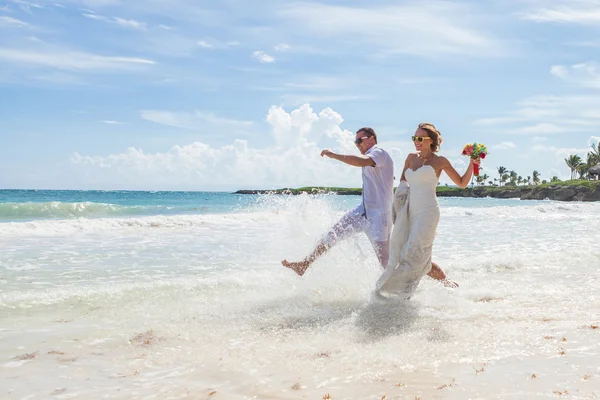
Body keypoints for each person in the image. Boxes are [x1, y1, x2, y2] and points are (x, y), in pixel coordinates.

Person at [281, 127, 455, 287]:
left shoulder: (379, 153)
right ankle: (304, 264)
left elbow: (360, 161)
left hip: (379, 218)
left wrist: (334, 155)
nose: (357, 145)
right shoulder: (372, 154)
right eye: (355, 142)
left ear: (371, 139)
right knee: (331, 235)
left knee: (390, 264)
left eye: (359, 141)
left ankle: (444, 281)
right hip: (362, 212)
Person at [375, 122, 478, 299]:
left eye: (420, 138)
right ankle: (446, 282)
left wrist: (472, 163)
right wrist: (397, 212)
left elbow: (461, 183)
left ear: (431, 141)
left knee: (414, 252)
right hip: (410, 212)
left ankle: (401, 294)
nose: (416, 141)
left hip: (428, 212)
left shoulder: (440, 161)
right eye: (414, 138)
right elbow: (401, 187)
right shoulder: (410, 158)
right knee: (410, 254)